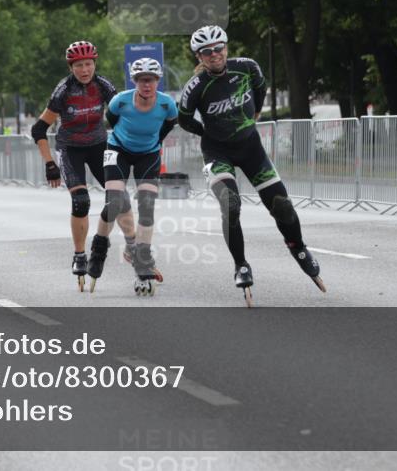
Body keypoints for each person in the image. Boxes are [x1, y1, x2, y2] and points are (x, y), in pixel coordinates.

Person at [178, 25, 325, 306]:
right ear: (199, 56)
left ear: (226, 47)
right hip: (217, 151)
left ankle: (298, 247)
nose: (214, 55)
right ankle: (241, 264)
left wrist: (254, 114)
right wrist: (206, 133)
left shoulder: (247, 67)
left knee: (281, 204)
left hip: (250, 148)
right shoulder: (195, 87)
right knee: (231, 204)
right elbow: (184, 120)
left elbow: (260, 88)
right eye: (206, 52)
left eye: (218, 48)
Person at [30, 40, 134, 292]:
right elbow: (39, 128)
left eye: (88, 64)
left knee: (119, 198)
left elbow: (125, 113)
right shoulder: (63, 90)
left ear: (94, 64)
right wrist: (49, 163)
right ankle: (79, 254)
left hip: (99, 146)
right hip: (71, 149)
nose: (85, 70)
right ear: (71, 67)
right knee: (81, 202)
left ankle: (134, 247)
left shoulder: (103, 85)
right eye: (79, 65)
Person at [90, 57, 177, 295]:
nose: (146, 85)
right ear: (134, 81)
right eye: (141, 80)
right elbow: (112, 119)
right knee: (115, 201)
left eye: (150, 80)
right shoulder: (121, 101)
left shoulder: (167, 104)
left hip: (148, 154)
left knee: (147, 206)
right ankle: (98, 249)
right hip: (117, 150)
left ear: (158, 81)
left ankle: (142, 255)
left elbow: (169, 124)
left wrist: (153, 141)